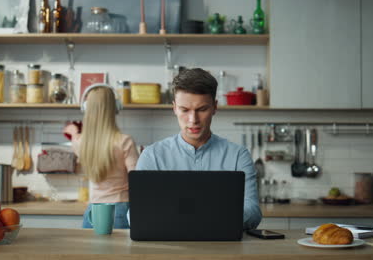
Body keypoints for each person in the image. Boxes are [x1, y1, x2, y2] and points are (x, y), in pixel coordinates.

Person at [136, 68, 262, 230]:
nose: (193, 120)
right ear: (174, 108)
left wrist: (194, 218)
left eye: (202, 109)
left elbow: (252, 211)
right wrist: (208, 217)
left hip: (225, 252)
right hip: (169, 251)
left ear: (214, 107)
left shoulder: (238, 155)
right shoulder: (152, 156)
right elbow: (135, 215)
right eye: (184, 110)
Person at [64, 84, 139, 229]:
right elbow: (137, 180)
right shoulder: (125, 141)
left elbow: (76, 140)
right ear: (115, 108)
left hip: (93, 211)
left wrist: (73, 132)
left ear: (86, 108)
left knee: (91, 252)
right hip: (120, 210)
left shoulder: (81, 142)